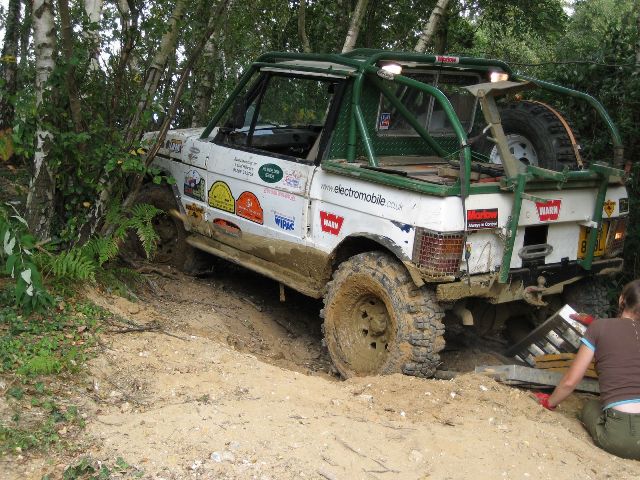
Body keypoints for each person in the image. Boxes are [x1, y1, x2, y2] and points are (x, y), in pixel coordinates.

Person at [535, 279, 640, 460]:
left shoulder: (599, 328)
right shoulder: (601, 326)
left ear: (621, 299)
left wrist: (549, 403)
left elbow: (571, 381)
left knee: (590, 406)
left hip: (622, 438)